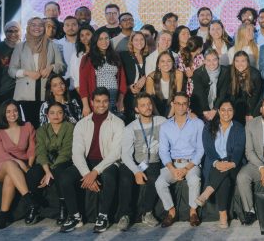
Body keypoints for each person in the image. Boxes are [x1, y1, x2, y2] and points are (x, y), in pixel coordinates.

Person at [64, 89, 125, 233]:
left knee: (109, 176)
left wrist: (95, 172)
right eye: (98, 101)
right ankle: (75, 217)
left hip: (108, 161)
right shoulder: (81, 124)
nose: (101, 105)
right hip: (87, 162)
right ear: (91, 102)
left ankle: (103, 216)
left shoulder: (118, 123)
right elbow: (77, 152)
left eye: (105, 101)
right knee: (65, 178)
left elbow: (116, 153)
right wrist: (87, 173)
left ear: (109, 102)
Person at [0, 100, 41, 230]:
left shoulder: (27, 126)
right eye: (8, 111)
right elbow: (0, 154)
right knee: (9, 164)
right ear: (3, 113)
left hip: (22, 167)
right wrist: (19, 163)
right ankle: (30, 201)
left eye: (15, 111)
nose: (12, 114)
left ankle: (3, 215)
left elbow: (32, 149)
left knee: (10, 178)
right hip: (1, 166)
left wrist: (28, 165)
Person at [155, 93, 204, 227]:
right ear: (173, 104)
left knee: (194, 180)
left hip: (191, 163)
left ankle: (193, 212)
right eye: (178, 103)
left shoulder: (198, 123)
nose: (181, 107)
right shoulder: (165, 126)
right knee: (160, 183)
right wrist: (173, 169)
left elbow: (201, 150)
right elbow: (163, 151)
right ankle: (171, 212)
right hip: (173, 164)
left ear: (188, 105)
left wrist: (186, 169)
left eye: (184, 103)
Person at [117, 95, 165, 230]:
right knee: (125, 178)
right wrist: (136, 171)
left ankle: (147, 213)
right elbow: (125, 155)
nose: (147, 107)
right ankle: (124, 215)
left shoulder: (162, 121)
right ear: (137, 109)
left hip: (153, 161)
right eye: (143, 105)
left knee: (155, 178)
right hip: (136, 162)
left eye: (149, 104)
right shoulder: (130, 128)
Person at [196, 100, 245, 228]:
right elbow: (208, 148)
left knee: (223, 171)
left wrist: (232, 163)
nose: (226, 113)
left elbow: (239, 149)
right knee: (225, 181)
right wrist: (216, 162)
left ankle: (207, 192)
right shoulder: (209, 126)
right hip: (215, 163)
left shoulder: (239, 127)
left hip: (234, 164)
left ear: (234, 111)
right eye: (223, 110)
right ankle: (223, 216)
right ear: (218, 111)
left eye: (229, 110)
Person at [24, 101, 74, 226]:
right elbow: (40, 152)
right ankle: (35, 206)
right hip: (46, 162)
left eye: (59, 112)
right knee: (33, 173)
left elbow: (66, 151)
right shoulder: (42, 130)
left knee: (59, 172)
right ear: (47, 115)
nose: (56, 116)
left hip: (64, 161)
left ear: (64, 114)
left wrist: (51, 171)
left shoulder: (70, 127)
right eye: (52, 113)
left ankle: (63, 207)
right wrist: (47, 171)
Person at [10, 17, 66, 127]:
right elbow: (11, 70)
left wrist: (51, 67)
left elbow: (61, 66)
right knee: (27, 127)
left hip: (46, 93)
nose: (37, 28)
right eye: (33, 25)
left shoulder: (52, 45)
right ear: (28, 27)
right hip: (24, 94)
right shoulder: (20, 46)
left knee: (45, 127)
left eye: (40, 25)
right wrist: (27, 72)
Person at [79, 30, 127, 117]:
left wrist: (120, 100)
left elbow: (122, 80)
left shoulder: (116, 56)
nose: (104, 41)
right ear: (95, 41)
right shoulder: (87, 58)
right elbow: (83, 84)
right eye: (100, 39)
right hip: (98, 98)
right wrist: (85, 106)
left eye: (106, 38)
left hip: (114, 97)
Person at [191, 50, 230, 121]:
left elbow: (223, 93)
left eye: (214, 60)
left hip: (218, 104)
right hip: (201, 105)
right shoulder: (198, 73)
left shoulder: (225, 71)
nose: (212, 63)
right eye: (208, 60)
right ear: (204, 61)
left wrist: (215, 109)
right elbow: (200, 94)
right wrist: (206, 111)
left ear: (218, 60)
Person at [226, 51, 264, 122]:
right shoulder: (230, 71)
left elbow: (256, 96)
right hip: (236, 106)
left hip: (251, 106)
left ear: (248, 62)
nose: (240, 64)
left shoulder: (255, 74)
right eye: (237, 61)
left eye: (243, 61)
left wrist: (250, 113)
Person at [145, 50, 185, 117]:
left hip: (174, 107)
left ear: (173, 63)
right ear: (158, 65)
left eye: (169, 61)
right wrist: (159, 118)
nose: (166, 64)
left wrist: (169, 117)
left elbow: (178, 98)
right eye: (162, 61)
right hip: (155, 109)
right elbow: (149, 101)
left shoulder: (179, 74)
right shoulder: (151, 78)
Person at [120, 31, 150, 118]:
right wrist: (128, 87)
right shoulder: (123, 56)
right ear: (131, 42)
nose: (139, 42)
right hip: (129, 96)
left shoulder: (148, 56)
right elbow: (120, 77)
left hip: (145, 96)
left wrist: (146, 77)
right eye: (136, 40)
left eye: (142, 39)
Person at [0, 21, 20, 108]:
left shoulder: (25, 47)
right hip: (2, 88)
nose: (13, 34)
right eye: (10, 31)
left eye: (16, 31)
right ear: (5, 33)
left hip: (19, 90)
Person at [55, 16, 82, 96]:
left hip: (81, 83)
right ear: (63, 28)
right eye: (67, 25)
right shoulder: (57, 44)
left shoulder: (84, 44)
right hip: (63, 84)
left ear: (78, 27)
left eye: (73, 25)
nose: (70, 27)